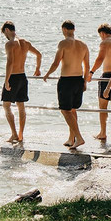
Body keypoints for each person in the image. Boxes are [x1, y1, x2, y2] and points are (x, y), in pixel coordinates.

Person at [43, 20, 90, 148]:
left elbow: (56, 63)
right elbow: (87, 66)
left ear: (64, 29)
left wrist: (47, 74)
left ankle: (79, 138)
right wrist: (84, 82)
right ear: (73, 30)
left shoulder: (63, 43)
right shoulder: (83, 45)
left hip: (67, 80)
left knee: (65, 110)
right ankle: (71, 138)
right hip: (79, 80)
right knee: (72, 110)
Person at [0, 21, 42, 143]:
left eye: (4, 33)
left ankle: (13, 134)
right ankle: (21, 134)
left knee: (6, 106)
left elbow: (10, 62)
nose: (5, 36)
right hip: (22, 77)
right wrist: (37, 69)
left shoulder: (10, 44)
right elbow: (39, 54)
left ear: (7, 30)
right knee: (21, 106)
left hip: (13, 77)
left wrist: (6, 80)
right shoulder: (25, 43)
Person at [87, 23, 111, 140]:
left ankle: (103, 132)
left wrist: (91, 72)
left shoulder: (105, 42)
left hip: (107, 75)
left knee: (103, 107)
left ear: (102, 33)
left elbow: (100, 58)